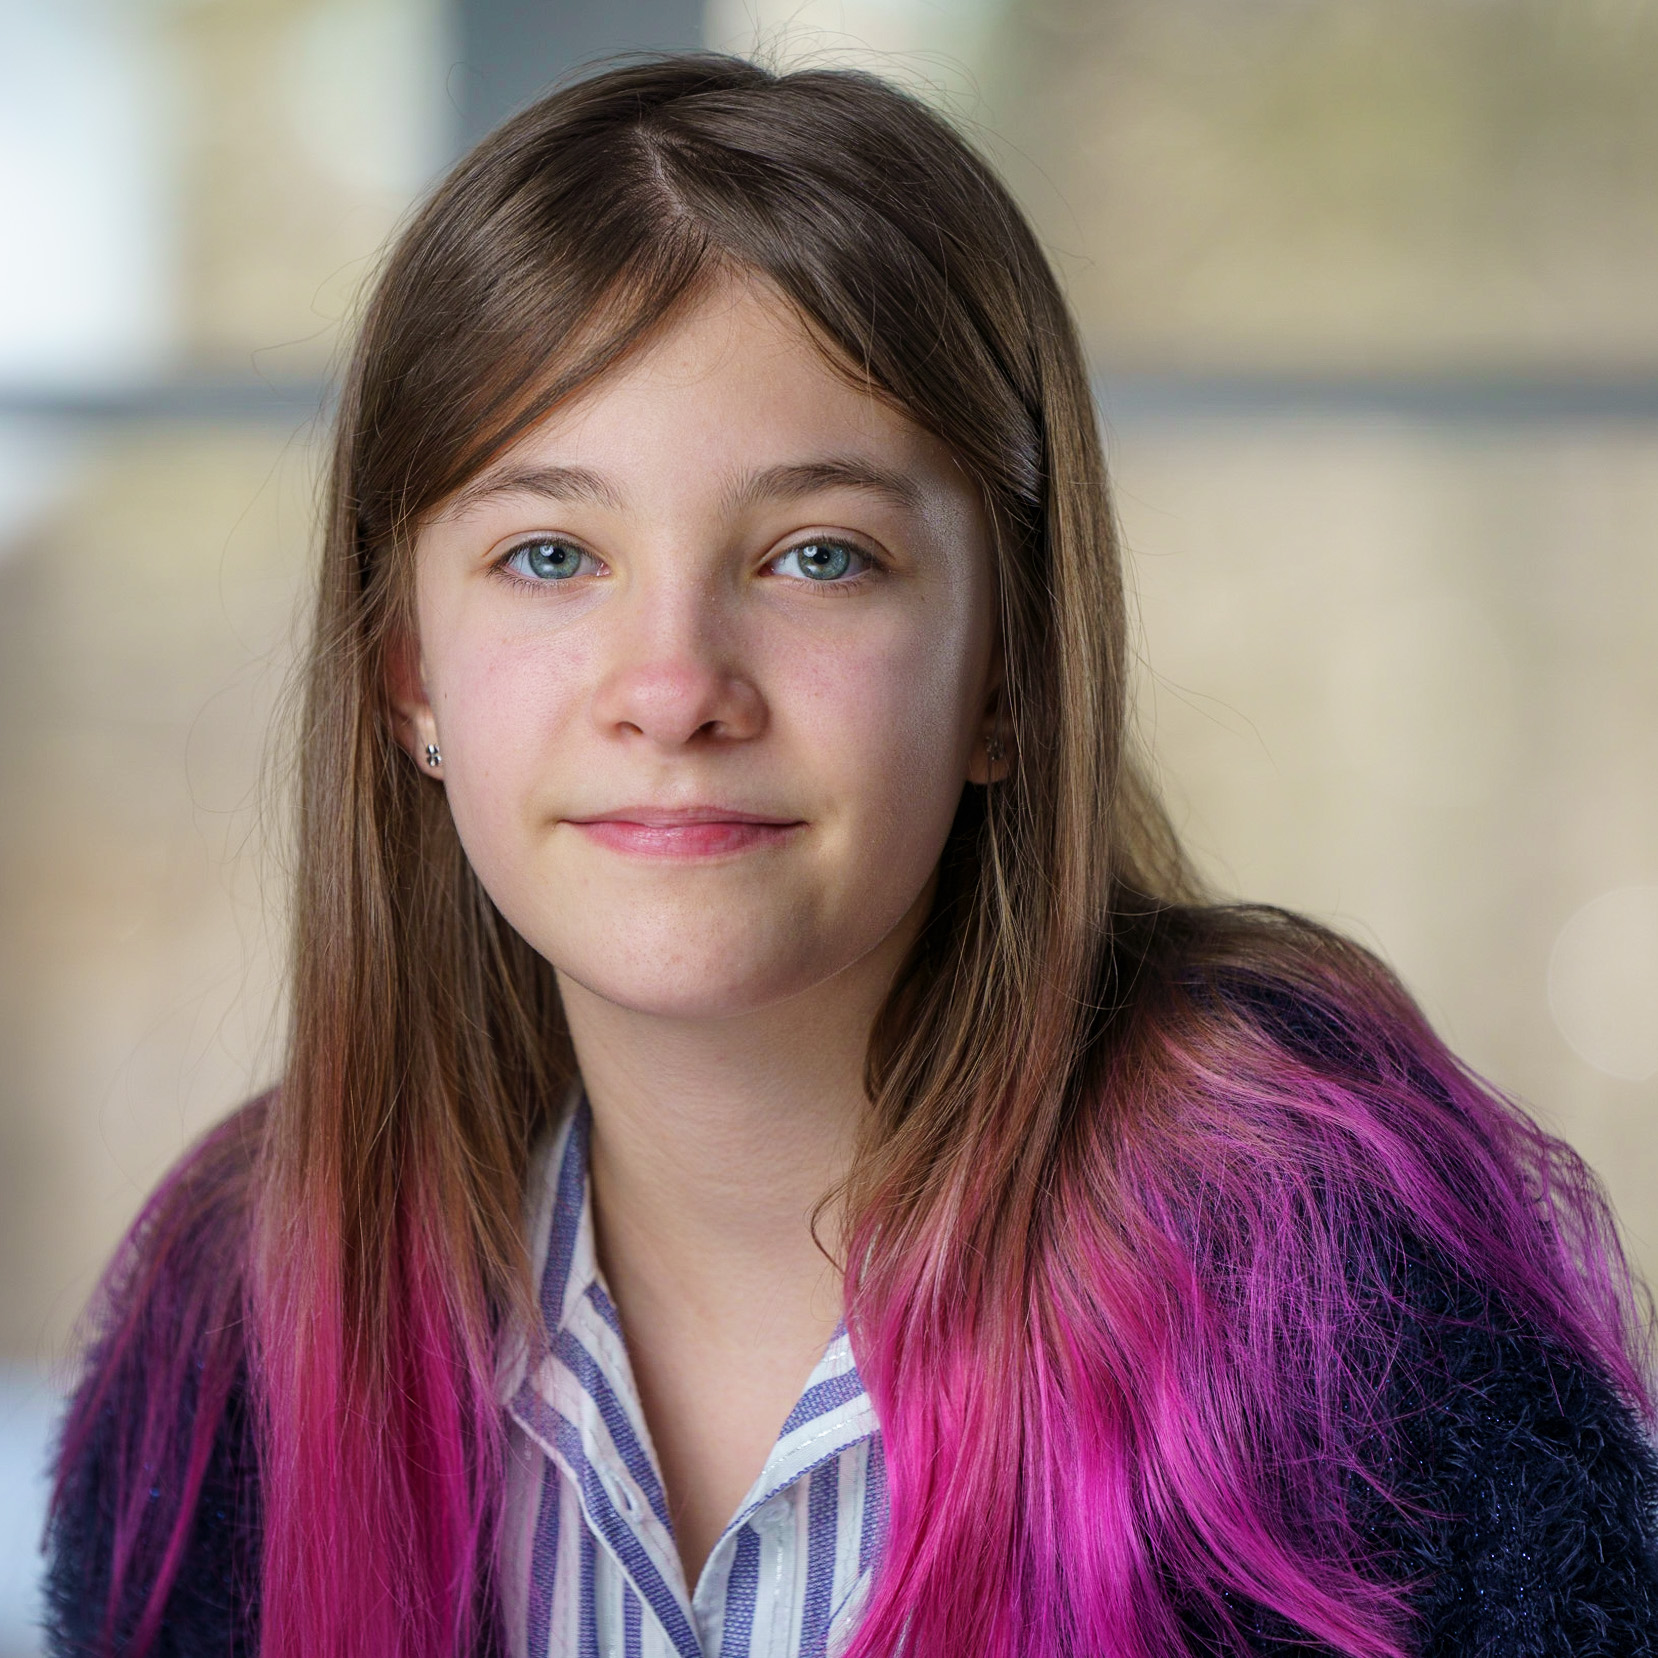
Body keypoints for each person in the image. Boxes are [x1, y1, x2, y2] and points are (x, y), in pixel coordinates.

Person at [42, 52, 1658, 1658]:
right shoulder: (239, 1328)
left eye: (818, 555)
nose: (673, 687)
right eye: (549, 555)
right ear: (409, 677)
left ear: (1006, 673)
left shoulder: (1336, 1293)